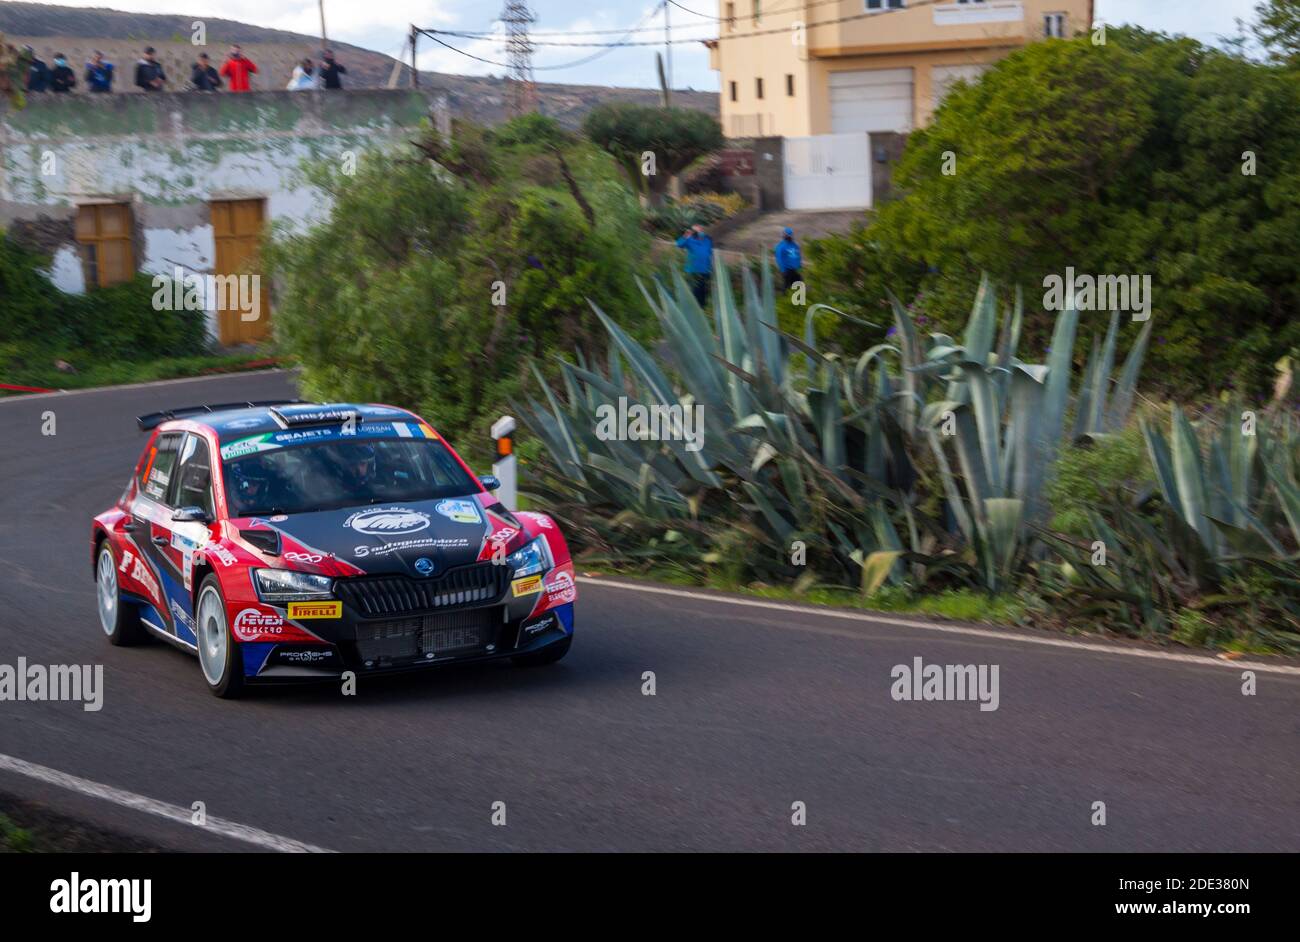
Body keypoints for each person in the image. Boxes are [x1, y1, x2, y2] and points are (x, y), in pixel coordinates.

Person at [675, 224, 714, 307]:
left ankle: (702, 311)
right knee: (693, 293)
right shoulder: (689, 240)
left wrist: (711, 268)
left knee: (703, 294)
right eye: (695, 231)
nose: (697, 232)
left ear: (702, 230)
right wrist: (685, 236)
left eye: (699, 230)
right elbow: (679, 244)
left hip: (705, 271)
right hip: (693, 271)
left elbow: (709, 253)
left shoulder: (707, 240)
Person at [774, 227, 803, 291]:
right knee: (787, 288)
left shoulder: (795, 245)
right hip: (787, 270)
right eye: (786, 235)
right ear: (784, 235)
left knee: (799, 287)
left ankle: (798, 300)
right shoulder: (780, 246)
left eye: (790, 235)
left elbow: (798, 256)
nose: (788, 236)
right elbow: (779, 259)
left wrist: (800, 266)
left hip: (796, 270)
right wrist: (783, 270)